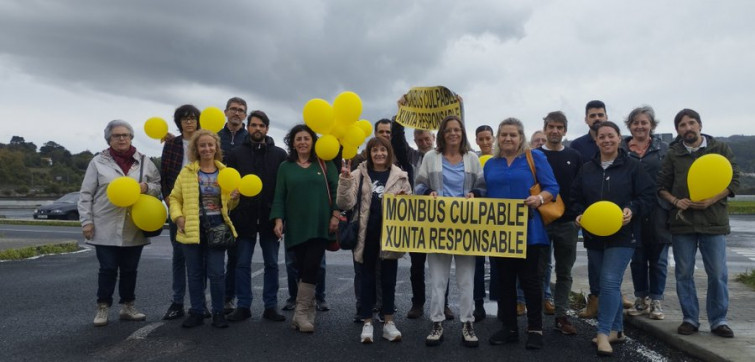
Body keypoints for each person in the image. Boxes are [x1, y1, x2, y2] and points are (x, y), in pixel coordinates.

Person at [570, 121, 654, 356]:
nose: (606, 140)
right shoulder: (587, 169)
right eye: (601, 137)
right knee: (609, 284)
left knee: (607, 281)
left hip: (623, 235)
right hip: (594, 235)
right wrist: (578, 214)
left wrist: (632, 209)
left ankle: (603, 333)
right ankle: (617, 330)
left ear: (619, 138)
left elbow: (647, 196)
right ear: (596, 141)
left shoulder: (633, 167)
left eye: (611, 136)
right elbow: (575, 197)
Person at [658, 109, 740, 338]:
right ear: (677, 130)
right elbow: (662, 186)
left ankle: (719, 320)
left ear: (700, 125)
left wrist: (712, 199)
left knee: (717, 274)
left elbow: (734, 179)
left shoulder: (720, 149)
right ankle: (690, 319)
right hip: (682, 224)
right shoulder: (673, 154)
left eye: (691, 123)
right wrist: (675, 200)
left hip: (713, 223)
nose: (687, 128)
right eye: (682, 125)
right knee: (683, 274)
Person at [485, 118, 558, 350]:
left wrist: (539, 199)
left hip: (529, 230)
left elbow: (552, 187)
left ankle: (535, 328)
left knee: (530, 281)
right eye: (504, 134)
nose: (508, 139)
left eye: (513, 135)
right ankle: (510, 328)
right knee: (504, 282)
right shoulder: (490, 164)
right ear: (498, 137)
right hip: (499, 232)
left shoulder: (534, 157)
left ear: (521, 137)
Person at [79, 120, 161, 327]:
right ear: (109, 139)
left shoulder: (144, 162)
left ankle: (127, 307)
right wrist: (86, 222)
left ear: (131, 137)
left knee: (130, 269)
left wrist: (146, 187)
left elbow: (158, 186)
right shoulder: (98, 162)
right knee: (107, 268)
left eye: (126, 135)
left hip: (133, 225)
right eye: (117, 135)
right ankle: (103, 307)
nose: (122, 138)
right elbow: (86, 194)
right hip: (104, 224)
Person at [416, 115, 485, 348]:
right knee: (437, 280)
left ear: (462, 133)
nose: (453, 134)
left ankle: (468, 323)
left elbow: (482, 187)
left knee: (466, 281)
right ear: (442, 134)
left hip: (466, 229)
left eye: (457, 130)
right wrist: (427, 194)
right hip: (438, 228)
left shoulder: (472, 158)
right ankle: (436, 322)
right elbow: (419, 185)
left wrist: (475, 193)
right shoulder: (430, 157)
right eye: (448, 130)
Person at [337, 137, 411, 343]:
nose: (379, 154)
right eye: (375, 150)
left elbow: (410, 208)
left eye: (383, 150)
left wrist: (406, 199)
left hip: (390, 238)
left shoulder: (401, 176)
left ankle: (389, 323)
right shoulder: (357, 174)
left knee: (389, 281)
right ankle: (367, 323)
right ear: (369, 153)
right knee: (367, 281)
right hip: (365, 235)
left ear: (389, 152)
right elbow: (345, 202)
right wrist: (344, 181)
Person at [271, 124, 339, 333]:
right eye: (298, 138)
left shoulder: (324, 163)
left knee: (312, 267)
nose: (302, 142)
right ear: (292, 142)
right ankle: (307, 312)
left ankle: (300, 314)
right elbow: (279, 195)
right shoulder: (285, 167)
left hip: (319, 224)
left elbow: (337, 190)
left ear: (313, 142)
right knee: (299, 268)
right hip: (296, 225)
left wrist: (335, 214)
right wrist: (278, 219)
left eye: (306, 138)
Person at [169, 130, 240, 329]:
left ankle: (218, 312)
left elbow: (229, 207)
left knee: (217, 273)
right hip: (191, 225)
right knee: (194, 273)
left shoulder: (226, 172)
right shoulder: (187, 172)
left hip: (217, 224)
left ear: (216, 147)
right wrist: (177, 216)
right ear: (196, 149)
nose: (207, 148)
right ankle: (197, 311)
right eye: (202, 145)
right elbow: (174, 198)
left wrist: (234, 198)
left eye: (211, 145)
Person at [225, 110, 287, 322]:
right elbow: (227, 184)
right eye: (253, 125)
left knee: (271, 263)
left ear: (267, 129)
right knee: (242, 263)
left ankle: (271, 306)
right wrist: (231, 194)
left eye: (261, 125)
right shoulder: (235, 154)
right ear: (248, 127)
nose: (257, 129)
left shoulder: (279, 155)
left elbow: (283, 188)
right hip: (243, 217)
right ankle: (243, 306)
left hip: (270, 217)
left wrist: (280, 217)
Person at [392, 103, 452, 321]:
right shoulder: (412, 157)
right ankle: (417, 304)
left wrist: (459, 110)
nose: (424, 143)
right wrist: (399, 114)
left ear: (434, 138)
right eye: (420, 140)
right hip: (417, 220)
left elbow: (457, 132)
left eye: (427, 139)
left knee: (441, 265)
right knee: (417, 267)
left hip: (441, 219)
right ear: (415, 142)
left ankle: (444, 305)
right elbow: (397, 140)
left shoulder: (445, 157)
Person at [622, 106, 671, 320]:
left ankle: (657, 300)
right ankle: (641, 299)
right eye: (635, 123)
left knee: (659, 259)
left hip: (659, 209)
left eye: (644, 122)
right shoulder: (622, 149)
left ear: (651, 125)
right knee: (638, 257)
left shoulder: (664, 149)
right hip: (632, 209)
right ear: (629, 126)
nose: (640, 126)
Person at [538, 111, 583, 335]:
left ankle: (561, 316)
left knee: (564, 272)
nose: (555, 131)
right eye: (551, 126)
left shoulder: (574, 156)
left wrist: (579, 215)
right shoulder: (533, 155)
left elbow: (581, 186)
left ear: (565, 130)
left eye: (559, 127)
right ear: (545, 129)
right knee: (538, 270)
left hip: (567, 223)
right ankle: (535, 318)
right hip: (541, 222)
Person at [160, 104, 201, 321]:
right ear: (179, 122)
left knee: (200, 257)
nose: (189, 122)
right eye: (185, 118)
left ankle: (200, 303)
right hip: (178, 207)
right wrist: (168, 199)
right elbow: (164, 175)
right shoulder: (172, 145)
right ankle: (177, 302)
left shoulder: (205, 141)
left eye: (193, 118)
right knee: (179, 256)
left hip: (201, 206)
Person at [218, 96, 248, 312]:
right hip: (213, 204)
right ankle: (208, 301)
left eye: (241, 110)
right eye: (233, 109)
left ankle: (229, 298)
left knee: (236, 258)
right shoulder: (215, 137)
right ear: (226, 111)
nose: (237, 113)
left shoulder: (250, 138)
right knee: (213, 258)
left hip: (240, 206)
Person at [472, 124, 496, 322]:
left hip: (498, 219)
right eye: (482, 139)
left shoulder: (501, 160)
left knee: (498, 264)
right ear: (476, 141)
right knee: (477, 265)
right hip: (476, 219)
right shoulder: (473, 160)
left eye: (488, 138)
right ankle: (478, 304)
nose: (485, 142)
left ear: (493, 138)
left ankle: (501, 303)